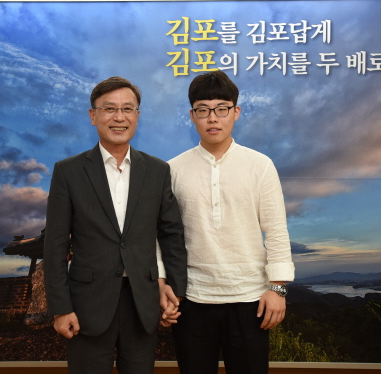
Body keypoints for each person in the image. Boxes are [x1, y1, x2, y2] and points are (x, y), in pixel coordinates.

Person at [43, 76, 187, 374]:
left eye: (127, 109)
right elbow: (55, 245)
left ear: (137, 115)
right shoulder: (68, 171)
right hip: (87, 305)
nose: (119, 117)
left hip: (143, 301)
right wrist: (61, 308)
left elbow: (171, 234)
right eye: (109, 109)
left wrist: (175, 288)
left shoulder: (158, 170)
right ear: (93, 115)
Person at [166, 70, 295, 374]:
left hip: (250, 298)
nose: (213, 118)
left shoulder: (260, 165)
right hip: (192, 299)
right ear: (192, 116)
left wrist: (277, 288)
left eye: (221, 109)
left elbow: (276, 229)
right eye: (203, 110)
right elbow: (163, 235)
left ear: (236, 112)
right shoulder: (173, 169)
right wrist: (164, 286)